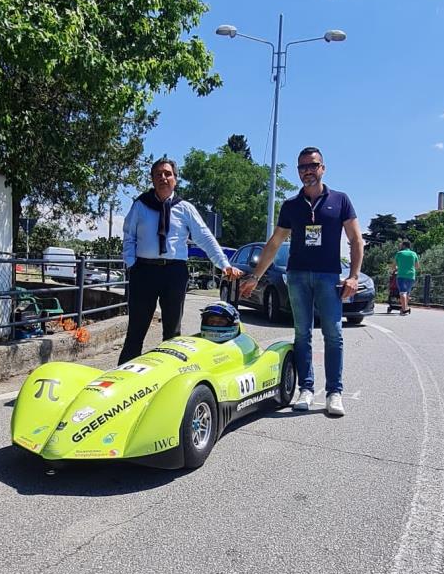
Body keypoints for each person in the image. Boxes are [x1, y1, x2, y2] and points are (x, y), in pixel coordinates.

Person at [240, 146, 363, 417]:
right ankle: (306, 388)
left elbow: (356, 240)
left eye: (312, 165)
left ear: (323, 168)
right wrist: (256, 276)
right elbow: (274, 243)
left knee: (333, 334)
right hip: (296, 277)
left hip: (329, 277)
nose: (307, 170)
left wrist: (353, 276)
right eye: (302, 167)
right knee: (302, 334)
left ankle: (334, 393)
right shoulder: (291, 206)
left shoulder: (340, 200)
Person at [118, 158, 242, 363]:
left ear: (175, 179)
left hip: (174, 273)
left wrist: (224, 264)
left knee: (172, 333)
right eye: (158, 174)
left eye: (167, 174)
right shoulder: (140, 205)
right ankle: (121, 381)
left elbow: (205, 237)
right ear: (152, 179)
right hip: (143, 272)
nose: (163, 178)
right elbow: (128, 236)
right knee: (135, 331)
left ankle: (170, 379)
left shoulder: (185, 208)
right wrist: (131, 264)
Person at [394, 240, 420, 315]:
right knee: (407, 293)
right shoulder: (414, 254)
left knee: (402, 292)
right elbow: (417, 266)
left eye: (401, 245)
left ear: (404, 246)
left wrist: (396, 268)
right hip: (411, 276)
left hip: (401, 275)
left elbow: (394, 265)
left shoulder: (399, 253)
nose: (400, 246)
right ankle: (405, 308)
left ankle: (405, 309)